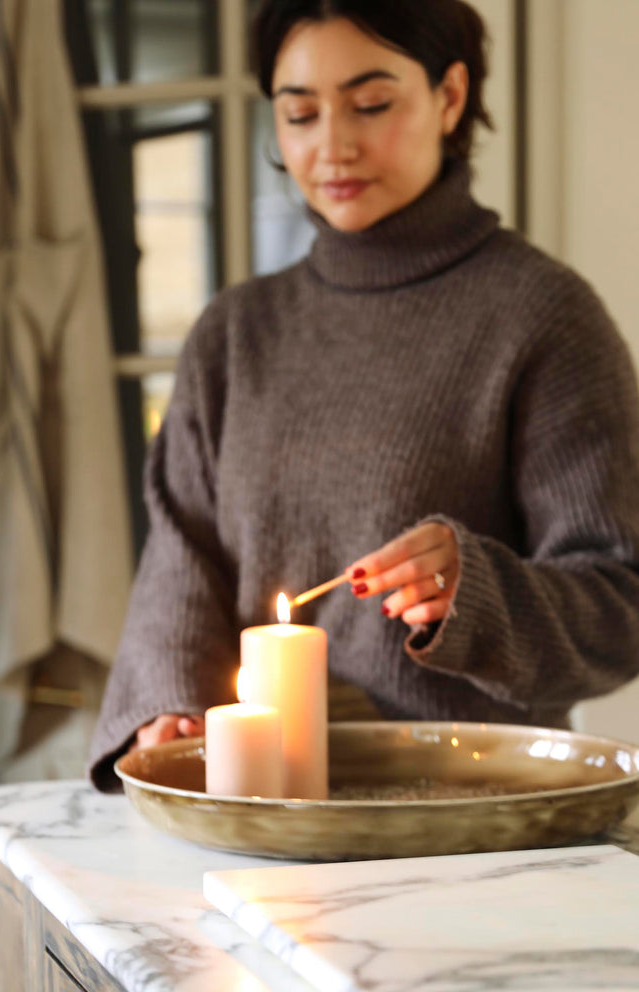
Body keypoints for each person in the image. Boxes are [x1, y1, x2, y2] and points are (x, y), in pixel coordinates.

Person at [89, 0, 639, 791]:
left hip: (468, 827)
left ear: (450, 97)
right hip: (258, 815)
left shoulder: (543, 317)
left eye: (371, 104)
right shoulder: (236, 333)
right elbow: (183, 561)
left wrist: (473, 595)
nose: (333, 146)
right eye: (300, 113)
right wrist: (170, 707)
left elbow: (620, 608)